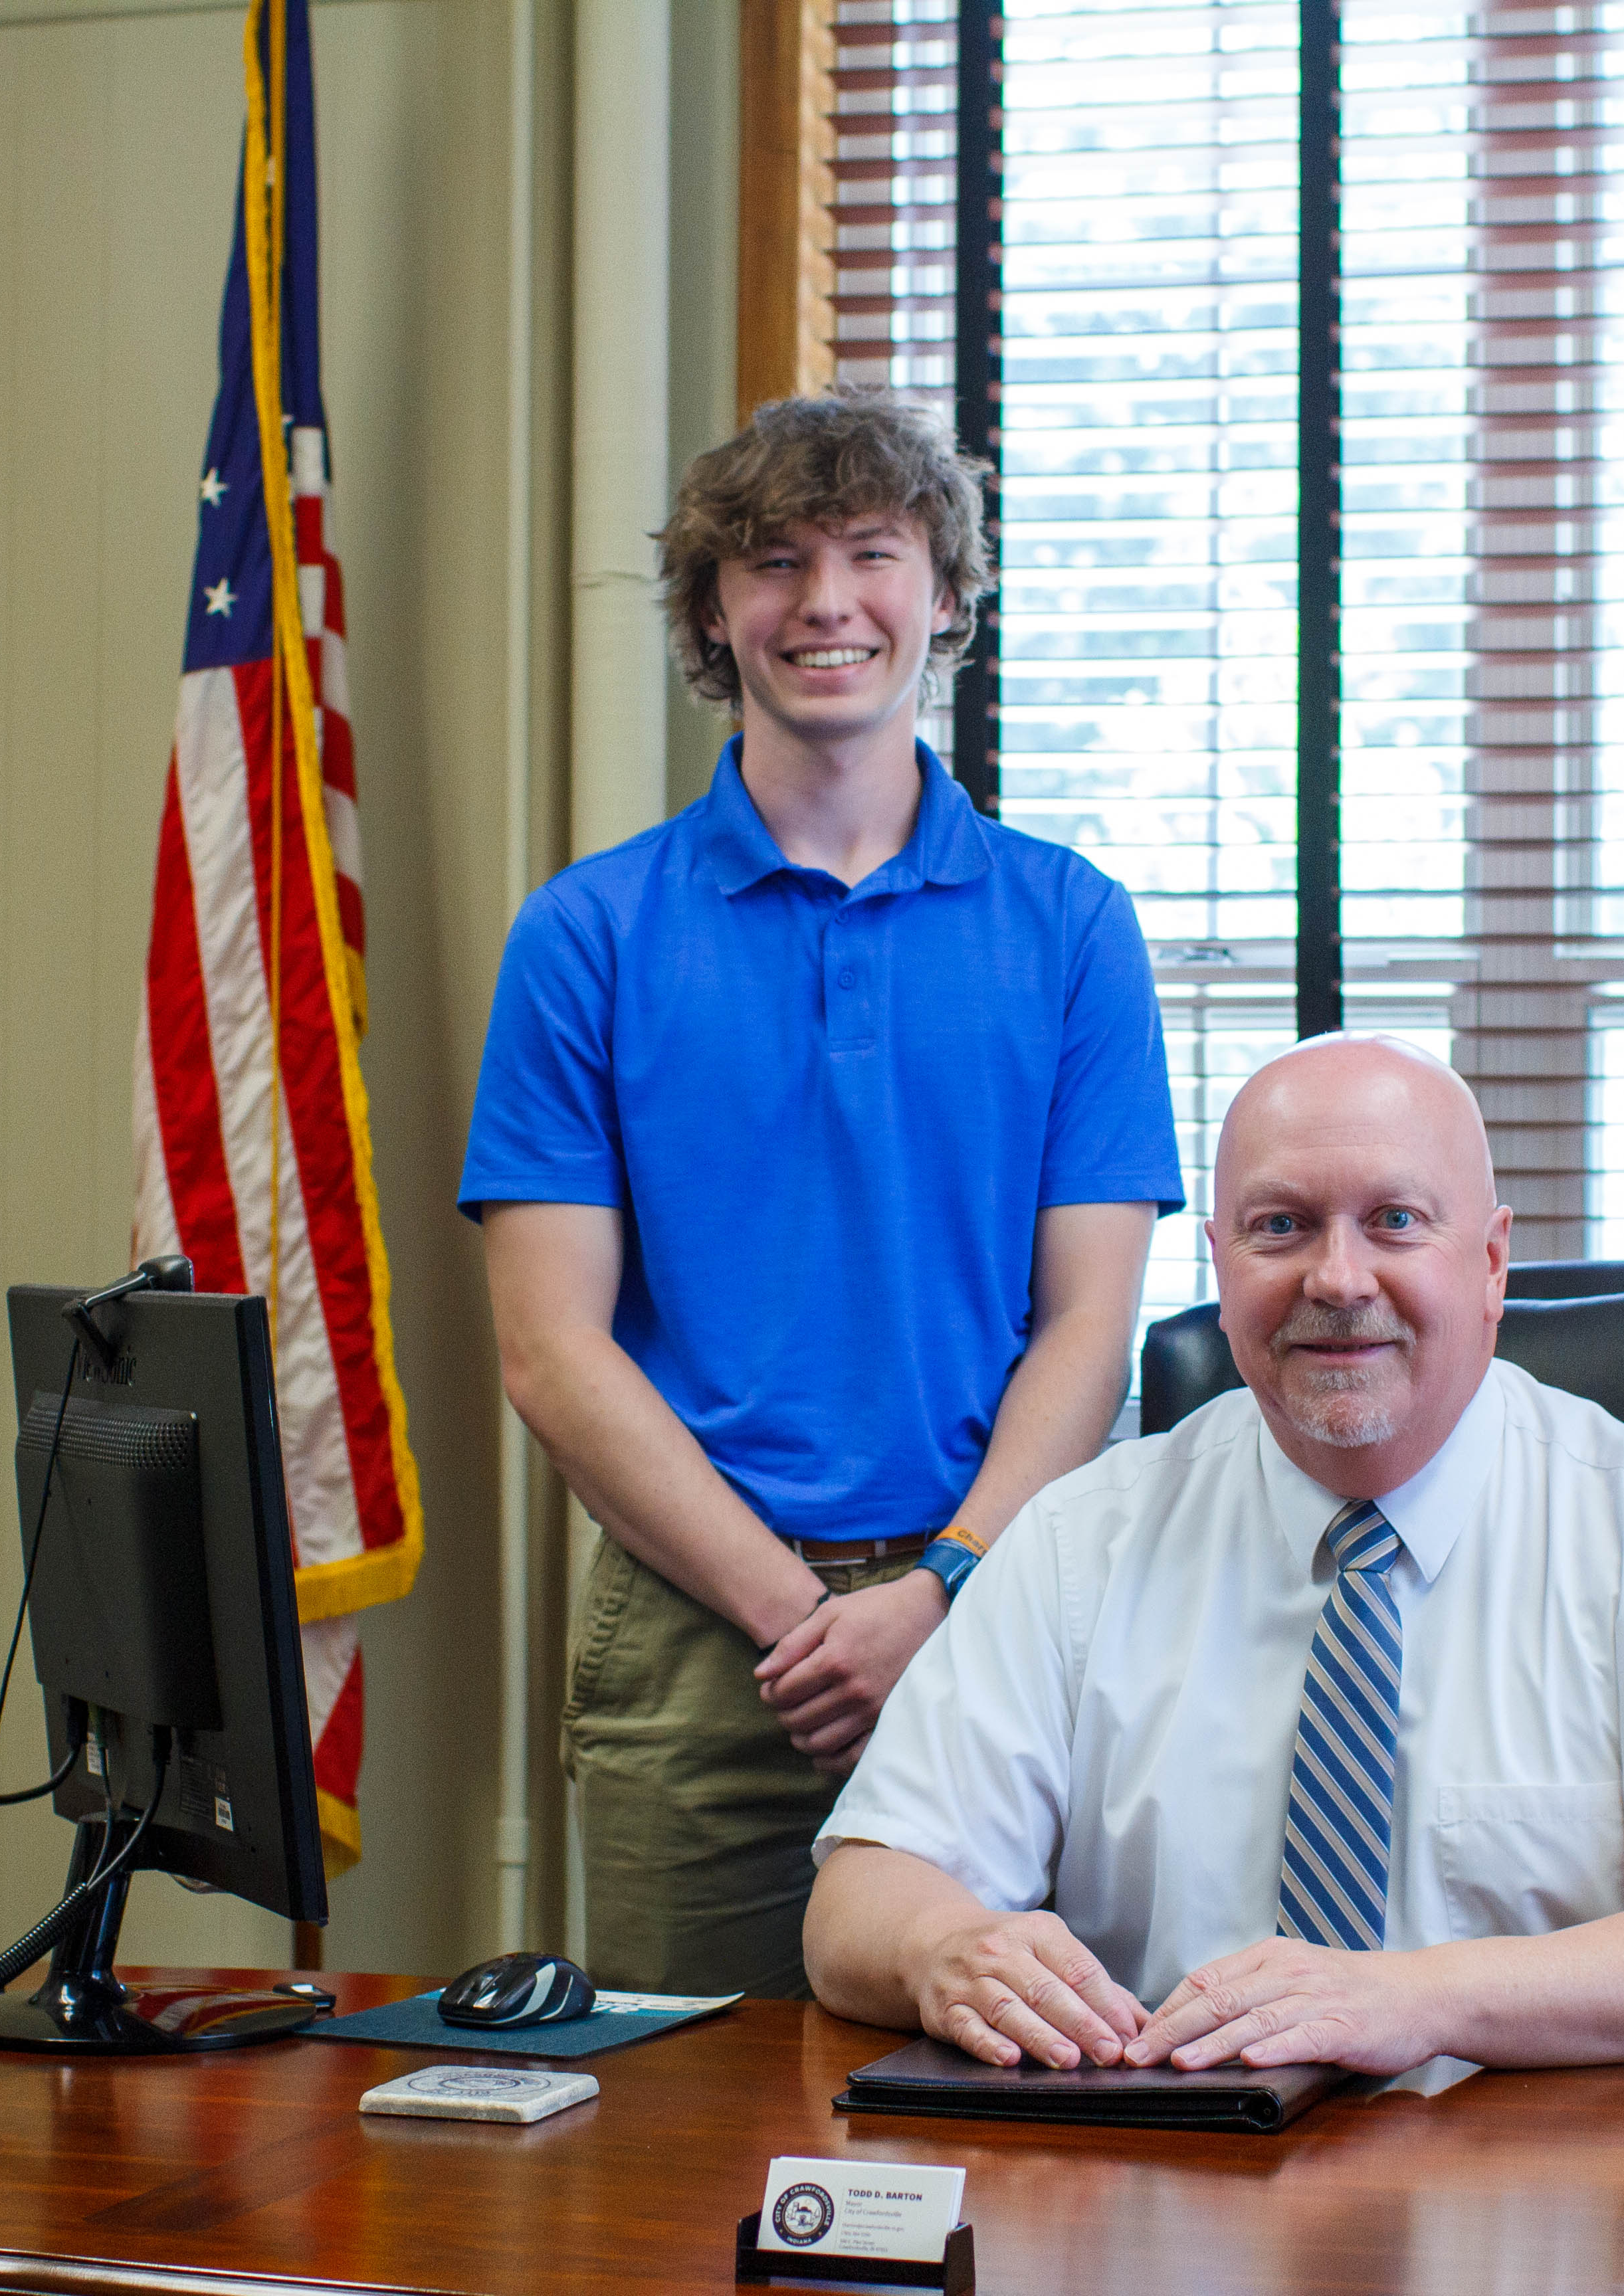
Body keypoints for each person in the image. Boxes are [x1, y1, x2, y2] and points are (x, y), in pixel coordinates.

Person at [460, 389, 1181, 1998]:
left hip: (1002, 1612)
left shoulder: (1072, 927)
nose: (827, 603)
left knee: (1004, 2121)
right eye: (774, 563)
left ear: (945, 595)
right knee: (666, 2155)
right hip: (702, 1640)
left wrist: (941, 1591)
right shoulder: (588, 937)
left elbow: (1090, 1329)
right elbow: (550, 1354)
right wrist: (805, 1617)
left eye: (874, 552)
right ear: (715, 612)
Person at [803, 1035, 1624, 2073]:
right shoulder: (1076, 1544)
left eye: (1396, 1221)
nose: (1338, 1278)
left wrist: (1414, 2000)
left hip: (1552, 2203)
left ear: (1492, 1261)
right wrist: (942, 1949)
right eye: (1281, 1227)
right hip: (1170, 2195)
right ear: (1221, 1264)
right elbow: (862, 1899)